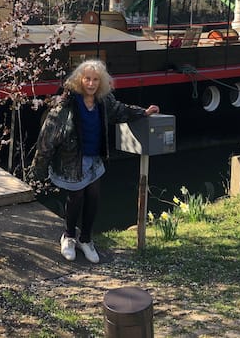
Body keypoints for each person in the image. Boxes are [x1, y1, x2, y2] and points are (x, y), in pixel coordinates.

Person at [31, 59, 160, 263]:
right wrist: (38, 169)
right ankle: (69, 236)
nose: (91, 84)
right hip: (72, 161)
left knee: (94, 197)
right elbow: (46, 140)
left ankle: (86, 239)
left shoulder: (103, 102)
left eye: (95, 80)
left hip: (94, 159)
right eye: (87, 79)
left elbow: (120, 110)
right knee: (76, 198)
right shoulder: (66, 106)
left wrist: (142, 112)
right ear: (79, 80)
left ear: (101, 83)